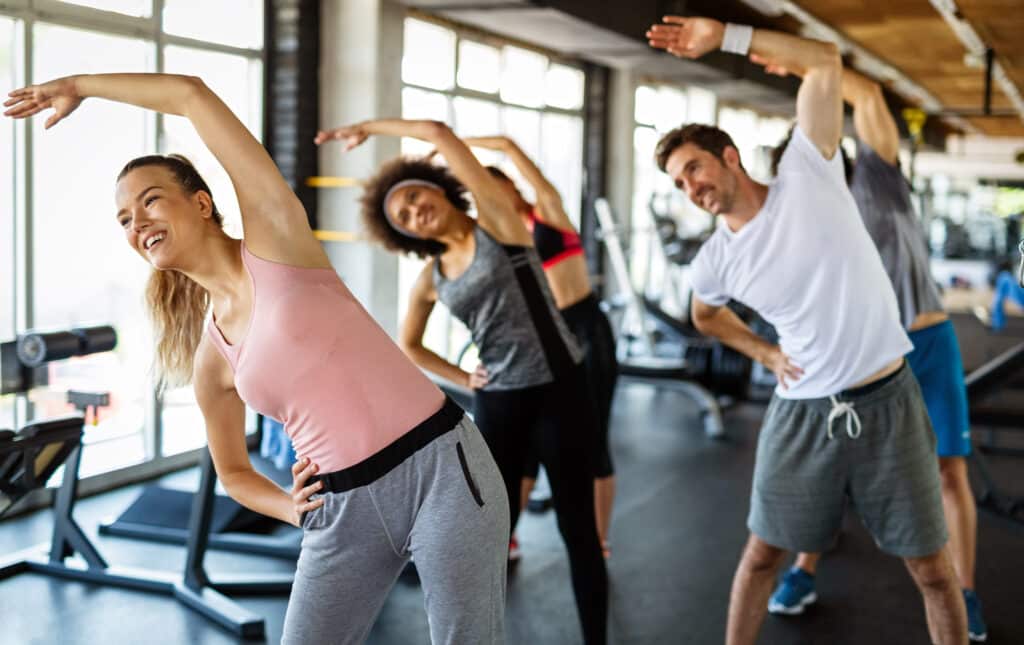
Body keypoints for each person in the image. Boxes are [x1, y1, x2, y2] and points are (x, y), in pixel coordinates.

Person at [3, 73, 509, 645]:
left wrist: (80, 86)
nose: (137, 223)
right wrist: (293, 510)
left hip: (440, 469)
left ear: (200, 202)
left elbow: (192, 94)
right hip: (339, 509)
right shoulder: (211, 359)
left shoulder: (277, 241)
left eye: (149, 202)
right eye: (125, 220)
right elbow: (234, 474)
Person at [646, 16, 968, 645]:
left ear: (729, 156)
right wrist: (763, 351)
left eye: (694, 169)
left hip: (889, 400)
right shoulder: (715, 259)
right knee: (761, 557)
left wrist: (727, 38)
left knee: (932, 570)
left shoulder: (806, 172)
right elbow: (704, 316)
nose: (691, 187)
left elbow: (825, 61)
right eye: (680, 183)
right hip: (800, 413)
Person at [315, 118, 608, 644]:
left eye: (413, 195)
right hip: (499, 403)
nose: (412, 210)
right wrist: (465, 378)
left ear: (440, 189)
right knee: (490, 534)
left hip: (561, 390)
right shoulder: (431, 278)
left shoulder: (496, 222)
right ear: (404, 233)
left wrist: (368, 128)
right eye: (401, 215)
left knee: (578, 531)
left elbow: (438, 133)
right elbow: (410, 344)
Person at [764, 66, 987, 641]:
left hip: (927, 342)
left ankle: (965, 590)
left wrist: (809, 67)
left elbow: (864, 93)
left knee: (948, 470)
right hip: (862, 357)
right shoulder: (803, 223)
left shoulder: (877, 178)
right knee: (830, 474)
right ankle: (803, 568)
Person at [448, 135, 619, 558]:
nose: (486, 197)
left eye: (491, 186)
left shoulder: (548, 214)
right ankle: (506, 536)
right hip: (538, 344)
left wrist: (454, 143)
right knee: (522, 450)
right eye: (477, 192)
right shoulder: (498, 238)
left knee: (593, 444)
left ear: (510, 186)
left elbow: (511, 149)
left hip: (584, 331)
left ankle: (597, 543)